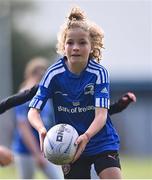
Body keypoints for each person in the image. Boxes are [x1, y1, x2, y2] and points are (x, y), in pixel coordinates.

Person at [27, 6, 136, 179]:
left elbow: (101, 115)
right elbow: (33, 111)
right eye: (70, 42)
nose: (75, 47)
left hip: (101, 140)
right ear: (64, 46)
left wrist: (86, 136)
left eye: (82, 42)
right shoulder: (53, 74)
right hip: (69, 146)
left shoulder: (99, 73)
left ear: (92, 46)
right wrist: (42, 130)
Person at [11, 57, 63, 179]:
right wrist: (37, 154)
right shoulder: (23, 96)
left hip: (45, 150)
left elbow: (49, 124)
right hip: (25, 151)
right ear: (31, 74)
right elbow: (23, 128)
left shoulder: (44, 96)